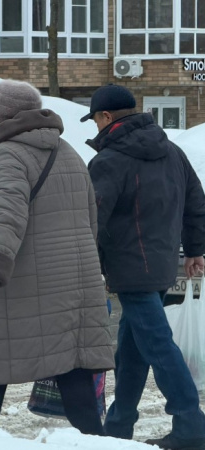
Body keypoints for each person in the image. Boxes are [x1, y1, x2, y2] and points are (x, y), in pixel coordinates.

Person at [0, 80, 114, 435]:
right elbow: (90, 221)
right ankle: (98, 443)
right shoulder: (67, 151)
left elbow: (5, 215)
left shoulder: (9, 153)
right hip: (75, 285)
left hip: (24, 283)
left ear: (2, 119)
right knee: (74, 374)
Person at [83, 84, 205, 450]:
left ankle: (191, 423)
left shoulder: (108, 161)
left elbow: (93, 220)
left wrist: (91, 267)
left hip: (129, 268)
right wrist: (195, 250)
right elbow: (196, 202)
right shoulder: (172, 151)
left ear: (105, 118)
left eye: (95, 120)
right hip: (162, 264)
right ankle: (120, 425)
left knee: (158, 345)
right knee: (132, 349)